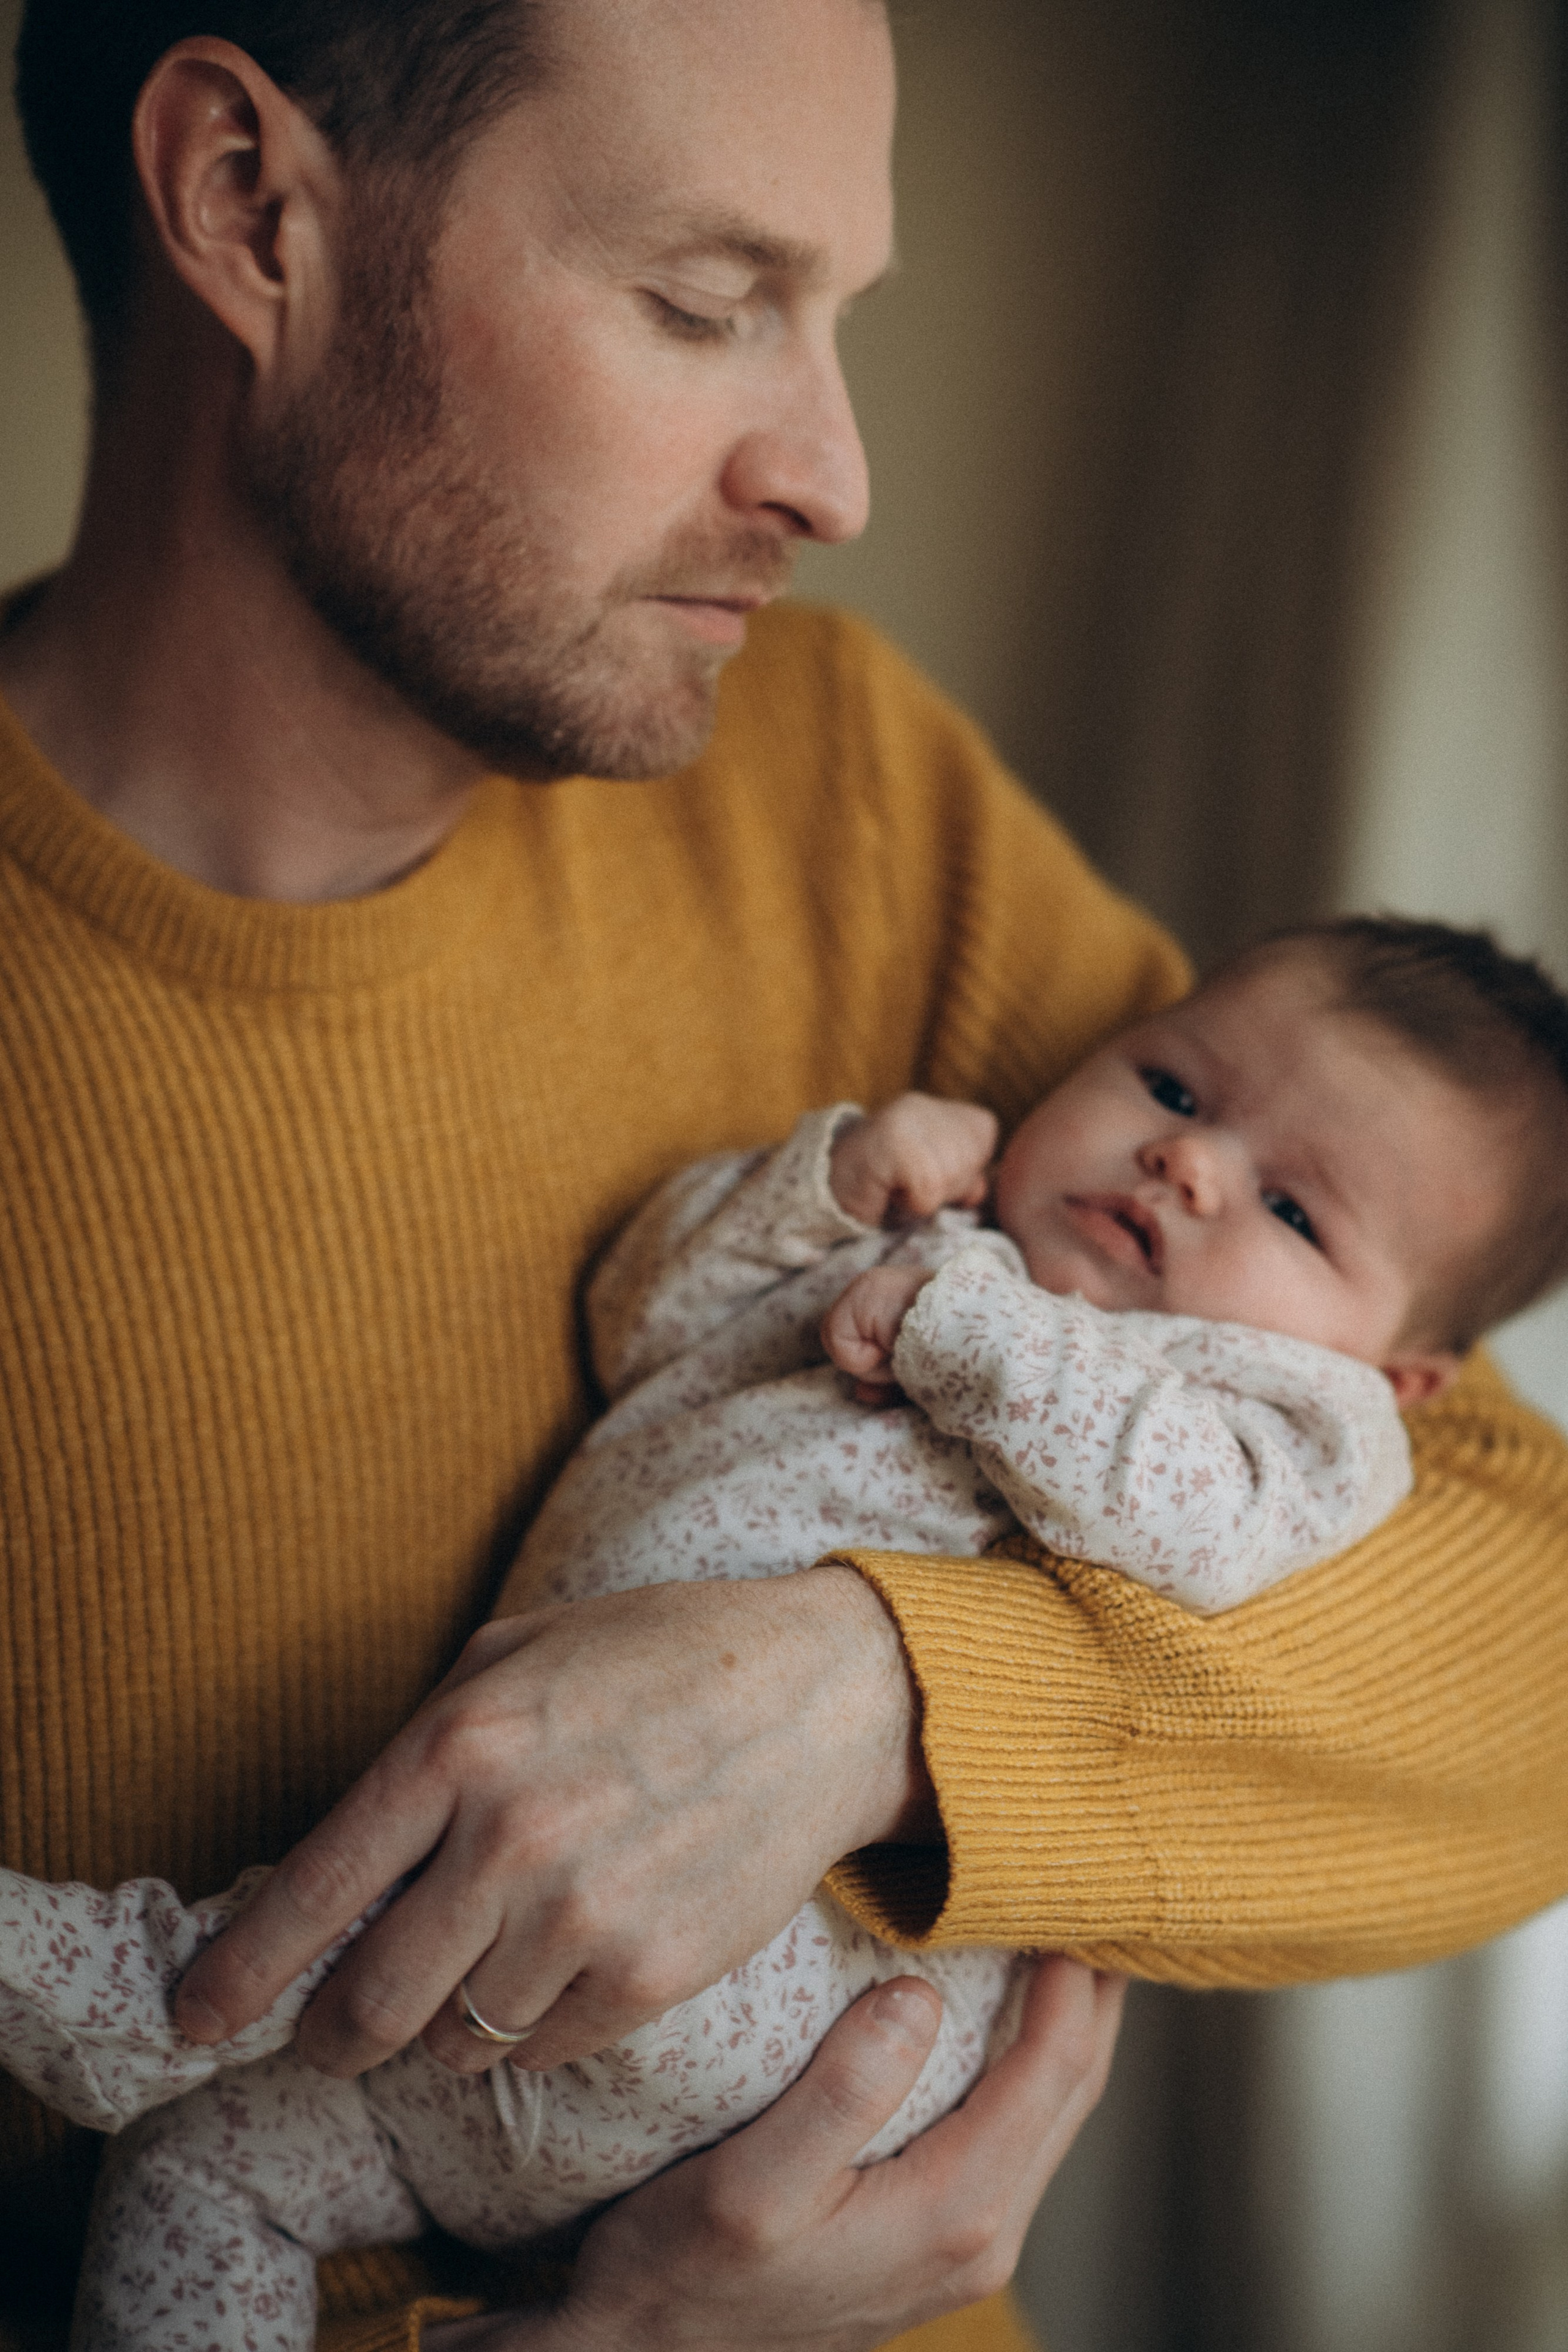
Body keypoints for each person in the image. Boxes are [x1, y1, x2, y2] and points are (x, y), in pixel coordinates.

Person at [2, 0, 1568, 2346]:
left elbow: (1519, 1614)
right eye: (706, 300)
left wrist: (880, 1696)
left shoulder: (836, 785)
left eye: (839, 317)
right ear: (249, 207)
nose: (836, 473)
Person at [4, 916, 1568, 2352]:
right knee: (204, 2174)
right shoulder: (916, 1231)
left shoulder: (1293, 1424)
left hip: (782, 1985)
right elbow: (647, 1313)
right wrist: (823, 1189)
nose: (1186, 1168)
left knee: (473, 1852)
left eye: (1291, 1208)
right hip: (447, 2096)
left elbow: (1190, 1517)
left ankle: (161, 1989)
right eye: (1168, 1087)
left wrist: (977, 1330)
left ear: (1406, 1375)